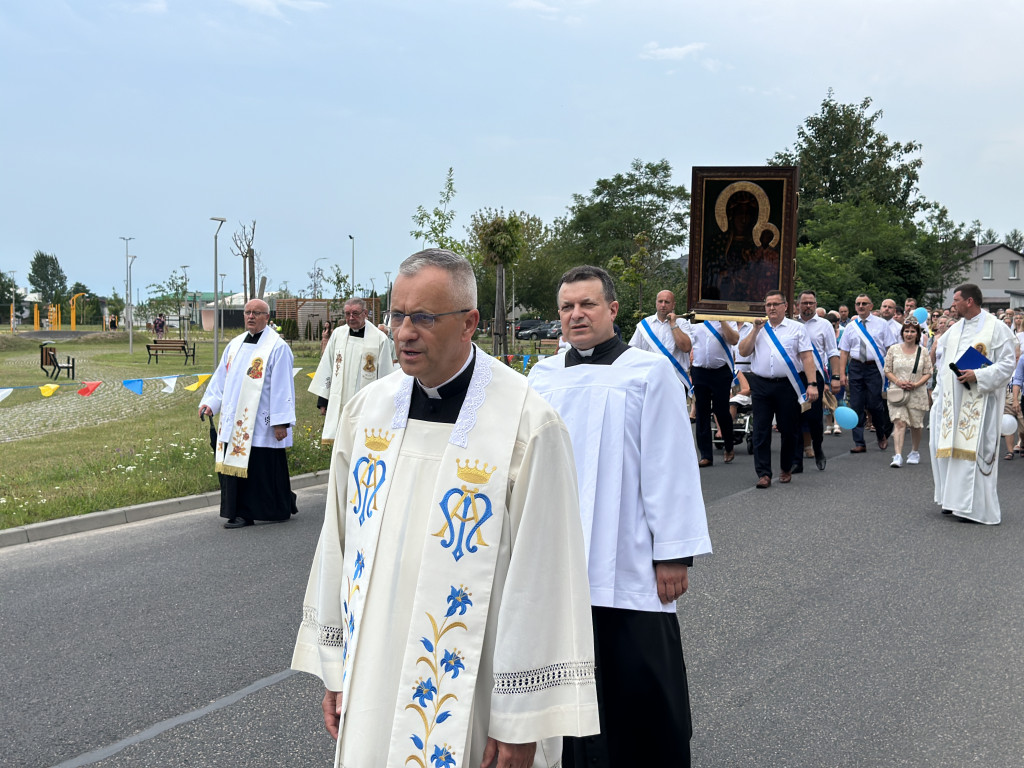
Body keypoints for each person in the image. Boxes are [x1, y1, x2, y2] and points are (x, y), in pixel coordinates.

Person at [292, 249, 598, 768]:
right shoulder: (368, 412)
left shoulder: (525, 423)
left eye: (424, 318)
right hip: (372, 674)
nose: (404, 332)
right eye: (397, 315)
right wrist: (337, 669)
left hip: (471, 685)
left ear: (469, 323)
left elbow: (545, 581)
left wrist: (521, 721)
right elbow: (338, 545)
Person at [528, 265, 711, 768]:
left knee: (639, 687)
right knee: (569, 686)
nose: (576, 315)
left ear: (612, 309)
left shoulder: (648, 373)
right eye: (567, 307)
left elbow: (670, 466)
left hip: (626, 559)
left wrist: (673, 554)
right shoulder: (540, 379)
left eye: (587, 304)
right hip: (558, 562)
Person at [198, 299, 298, 529]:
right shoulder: (234, 345)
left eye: (257, 313)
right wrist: (211, 403)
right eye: (247, 312)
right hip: (234, 420)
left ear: (267, 317)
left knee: (262, 468)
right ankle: (244, 509)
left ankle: (259, 510)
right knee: (238, 466)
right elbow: (221, 378)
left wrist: (280, 422)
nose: (251, 316)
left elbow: (283, 387)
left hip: (263, 422)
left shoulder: (277, 348)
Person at [930, 284, 1016, 524]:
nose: (952, 305)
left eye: (956, 300)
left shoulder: (996, 329)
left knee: (975, 452)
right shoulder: (953, 330)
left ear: (969, 301)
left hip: (981, 403)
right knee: (951, 451)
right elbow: (942, 367)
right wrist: (939, 397)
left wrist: (978, 375)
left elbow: (1008, 364)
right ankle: (953, 502)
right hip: (951, 405)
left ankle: (975, 509)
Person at [738, 290, 818, 488]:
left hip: (787, 385)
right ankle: (764, 473)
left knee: (788, 429)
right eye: (768, 305)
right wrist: (755, 330)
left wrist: (812, 383)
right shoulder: (756, 328)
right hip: (761, 384)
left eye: (775, 304)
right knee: (761, 430)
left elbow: (807, 357)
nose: (771, 308)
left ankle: (785, 468)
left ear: (785, 306)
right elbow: (743, 351)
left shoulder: (797, 328)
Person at [309, 297, 396, 445]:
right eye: (347, 313)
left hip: (366, 402)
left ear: (365, 313)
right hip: (339, 399)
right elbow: (327, 366)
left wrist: (383, 405)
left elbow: (385, 375)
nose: (351, 317)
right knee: (339, 445)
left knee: (362, 442)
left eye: (355, 313)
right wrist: (323, 400)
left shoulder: (379, 338)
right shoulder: (338, 334)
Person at [835, 294, 897, 453]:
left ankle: (881, 434)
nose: (861, 306)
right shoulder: (851, 326)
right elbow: (844, 352)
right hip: (856, 367)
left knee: (874, 404)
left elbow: (890, 349)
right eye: (858, 304)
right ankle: (859, 442)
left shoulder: (882, 324)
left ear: (871, 306)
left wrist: (891, 371)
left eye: (864, 303)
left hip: (874, 368)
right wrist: (842, 374)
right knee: (856, 404)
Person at [794, 290, 838, 472]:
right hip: (793, 376)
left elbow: (832, 352)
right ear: (798, 305)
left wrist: (835, 377)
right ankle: (797, 460)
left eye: (811, 303)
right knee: (794, 418)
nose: (808, 306)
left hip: (815, 376)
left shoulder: (824, 325)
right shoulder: (790, 324)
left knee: (814, 419)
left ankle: (818, 447)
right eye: (804, 303)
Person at [690, 317, 740, 466]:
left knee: (721, 411)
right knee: (701, 411)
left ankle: (729, 445)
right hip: (700, 371)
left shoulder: (728, 320)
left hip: (720, 371)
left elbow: (734, 340)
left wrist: (722, 321)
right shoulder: (694, 320)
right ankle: (706, 455)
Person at [883, 321, 933, 468]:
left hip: (917, 392)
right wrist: (898, 382)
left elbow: (928, 372)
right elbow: (887, 370)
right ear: (902, 333)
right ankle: (897, 455)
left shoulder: (922, 351)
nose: (909, 334)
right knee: (899, 422)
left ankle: (914, 451)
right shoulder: (893, 349)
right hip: (897, 392)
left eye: (912, 331)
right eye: (906, 331)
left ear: (917, 334)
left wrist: (916, 384)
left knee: (916, 425)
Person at [628, 289, 693, 395]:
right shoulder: (644, 325)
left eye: (667, 302)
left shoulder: (682, 323)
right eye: (660, 301)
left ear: (673, 305)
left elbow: (686, 347)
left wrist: (673, 324)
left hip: (676, 378)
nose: (663, 305)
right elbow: (633, 351)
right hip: (650, 379)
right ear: (656, 303)